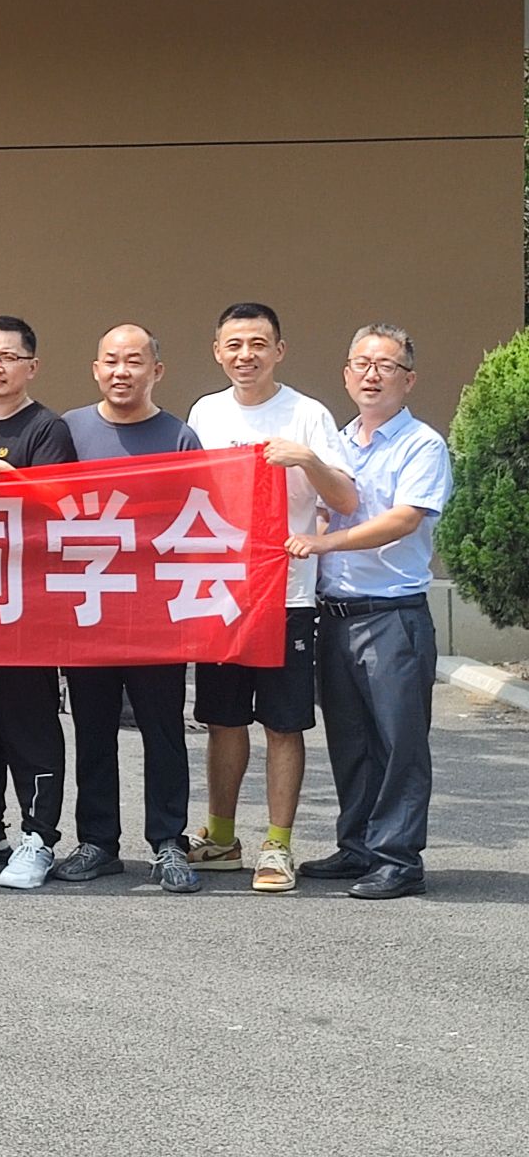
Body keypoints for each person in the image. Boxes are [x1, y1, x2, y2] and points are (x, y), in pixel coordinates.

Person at [186, 303, 357, 893]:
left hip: (289, 594)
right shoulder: (205, 412)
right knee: (222, 720)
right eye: (234, 344)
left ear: (279, 351)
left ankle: (278, 845)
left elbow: (347, 499)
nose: (246, 355)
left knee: (284, 724)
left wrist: (305, 458)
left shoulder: (308, 414)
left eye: (258, 344)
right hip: (222, 594)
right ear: (218, 351)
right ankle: (220, 836)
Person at [289, 325, 452, 900]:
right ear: (346, 375)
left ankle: (398, 859)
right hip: (334, 614)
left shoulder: (422, 445)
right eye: (361, 363)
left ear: (409, 380)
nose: (372, 374)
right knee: (350, 739)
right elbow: (321, 507)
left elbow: (404, 519)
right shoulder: (337, 442)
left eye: (386, 365)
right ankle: (357, 845)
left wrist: (326, 543)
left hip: (392, 615)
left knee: (398, 741)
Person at [56, 324, 202, 895]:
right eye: (111, 361)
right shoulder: (69, 430)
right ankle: (98, 842)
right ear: (96, 369)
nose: (122, 372)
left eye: (134, 361)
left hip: (156, 616)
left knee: (163, 732)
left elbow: (199, 521)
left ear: (156, 371)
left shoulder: (179, 436)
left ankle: (169, 841)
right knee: (92, 731)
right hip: (87, 607)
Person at [0, 315, 76, 890]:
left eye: (7, 357)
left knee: (28, 726)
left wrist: (2, 471)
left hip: (27, 607)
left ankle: (39, 836)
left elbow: (57, 504)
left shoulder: (48, 428)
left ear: (32, 365)